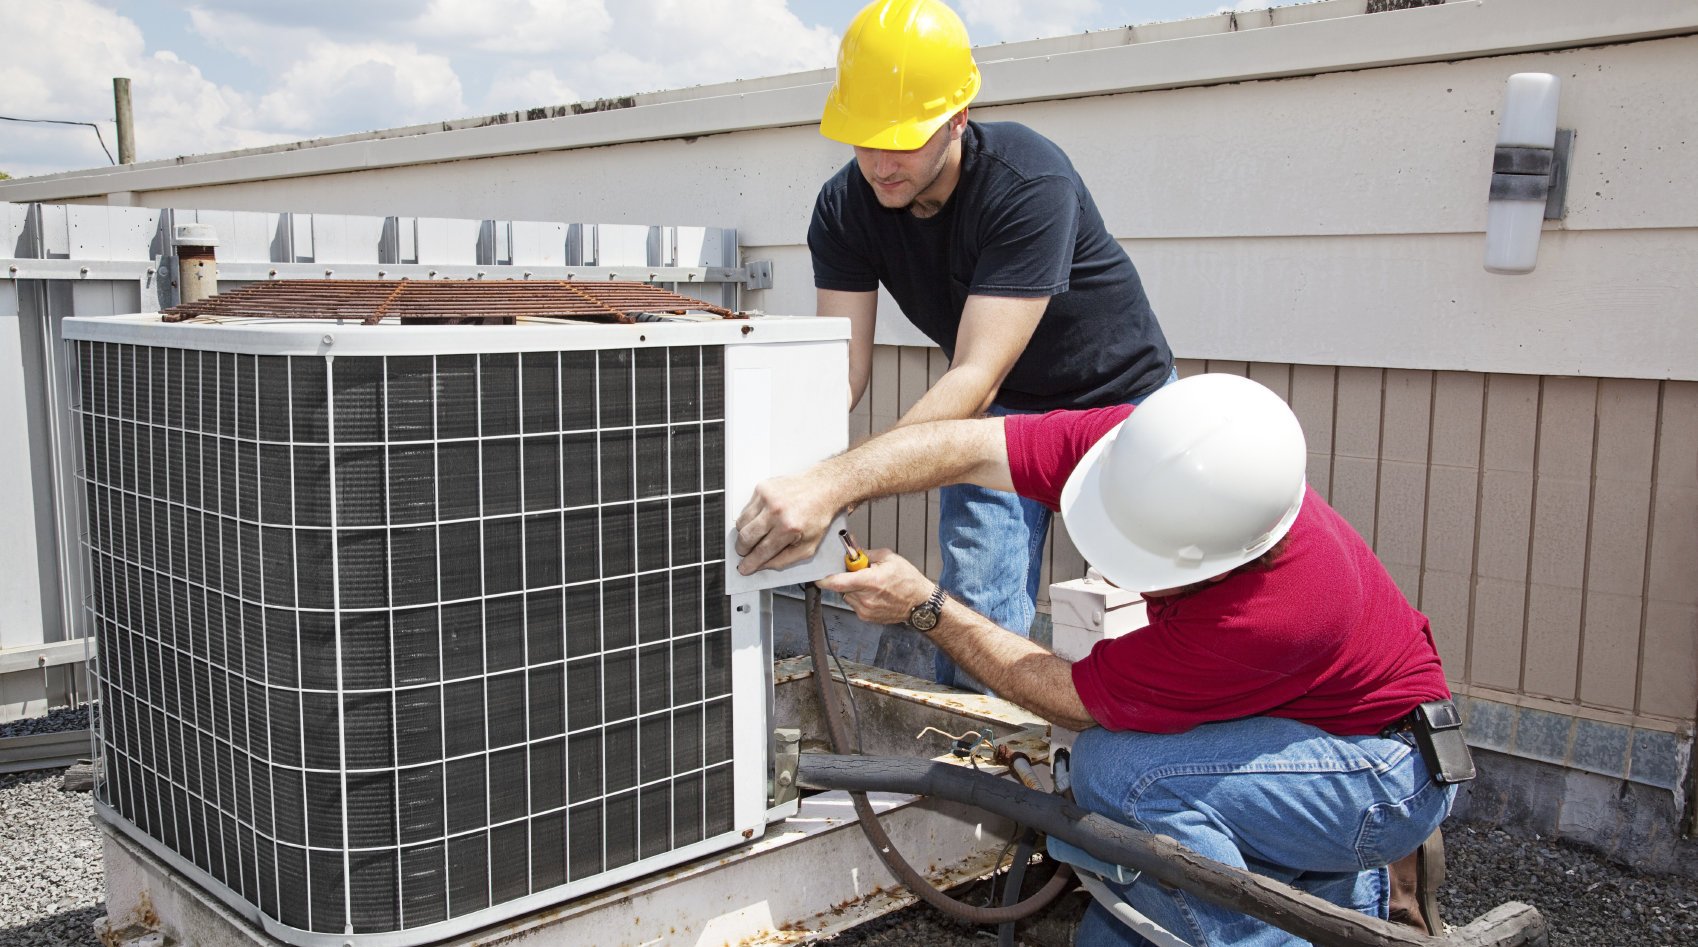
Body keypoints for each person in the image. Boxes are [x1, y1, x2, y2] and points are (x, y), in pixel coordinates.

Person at [735, 374, 1459, 946]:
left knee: (1121, 775)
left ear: (1220, 561)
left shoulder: (1272, 611)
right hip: (1309, 731)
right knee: (1119, 929)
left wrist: (925, 605)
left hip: (1383, 774)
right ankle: (1336, 902)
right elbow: (965, 444)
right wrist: (830, 482)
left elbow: (1068, 695)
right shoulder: (1146, 451)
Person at [810, 0, 1175, 688]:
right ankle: (982, 773)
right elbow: (843, 368)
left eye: (904, 138)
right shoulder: (843, 208)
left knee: (1156, 603)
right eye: (863, 137)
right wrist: (800, 466)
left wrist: (844, 480)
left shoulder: (1028, 182)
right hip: (1003, 411)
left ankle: (1140, 766)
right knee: (975, 604)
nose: (881, 162)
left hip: (1122, 404)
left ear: (957, 118)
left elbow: (975, 371)